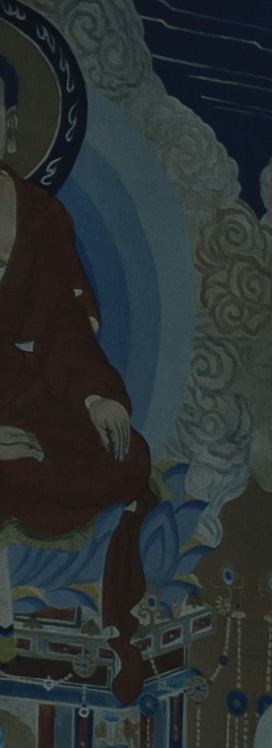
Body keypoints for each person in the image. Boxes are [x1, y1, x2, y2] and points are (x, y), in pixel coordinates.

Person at [0, 93, 151, 684]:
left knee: (126, 458)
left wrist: (95, 396)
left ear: (11, 123)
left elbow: (63, 326)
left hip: (27, 400)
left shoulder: (39, 216)